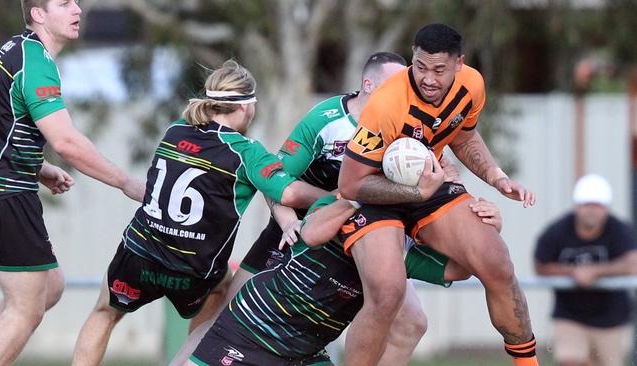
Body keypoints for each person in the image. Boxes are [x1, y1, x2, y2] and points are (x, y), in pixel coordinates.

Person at [172, 52, 453, 366]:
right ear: (369, 85)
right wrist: (289, 220)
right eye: (396, 86)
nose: (405, 94)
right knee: (229, 314)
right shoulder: (327, 120)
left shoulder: (408, 127)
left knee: (411, 323)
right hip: (300, 236)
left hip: (363, 238)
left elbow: (431, 181)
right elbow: (275, 178)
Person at [70, 60, 328, 366]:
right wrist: (342, 196)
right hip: (193, 270)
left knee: (105, 312)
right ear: (246, 107)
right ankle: (191, 359)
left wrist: (285, 219)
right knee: (223, 296)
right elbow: (286, 192)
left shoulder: (175, 130)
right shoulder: (246, 151)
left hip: (140, 251)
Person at [338, 23, 538, 365]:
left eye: (439, 70)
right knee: (388, 294)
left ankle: (527, 363)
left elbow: (463, 137)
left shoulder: (471, 85)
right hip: (377, 193)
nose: (428, 78)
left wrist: (496, 176)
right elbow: (350, 184)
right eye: (420, 67)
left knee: (495, 260)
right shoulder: (387, 104)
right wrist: (414, 190)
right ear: (412, 59)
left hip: (428, 183)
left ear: (459, 64)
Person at [0, 1, 145, 365]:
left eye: (76, 2)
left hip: (1, 187)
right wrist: (124, 182)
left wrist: (39, 168)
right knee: (25, 309)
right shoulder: (35, 63)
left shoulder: (12, 51)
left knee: (50, 286)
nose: (77, 9)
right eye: (63, 3)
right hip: (5, 194)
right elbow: (67, 143)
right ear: (38, 14)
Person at [185, 194, 501, 366]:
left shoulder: (397, 250)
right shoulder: (338, 205)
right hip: (250, 332)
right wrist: (362, 194)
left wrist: (484, 226)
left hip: (306, 352)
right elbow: (310, 232)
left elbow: (462, 268)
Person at [534, 174, 637, 366]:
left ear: (606, 208)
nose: (592, 211)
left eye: (597, 206)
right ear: (577, 207)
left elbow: (632, 264)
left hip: (611, 318)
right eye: (586, 205)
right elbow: (541, 265)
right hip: (570, 315)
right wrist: (572, 272)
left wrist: (596, 271)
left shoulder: (619, 230)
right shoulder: (558, 231)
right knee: (570, 361)